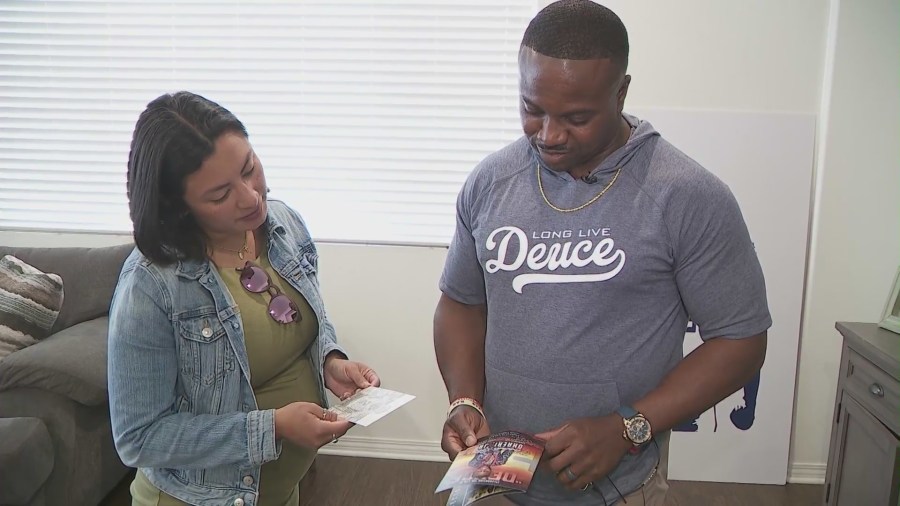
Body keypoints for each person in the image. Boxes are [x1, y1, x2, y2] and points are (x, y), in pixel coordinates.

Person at [434, 1, 771, 505]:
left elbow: (741, 340)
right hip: (499, 479)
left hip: (620, 488)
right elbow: (461, 302)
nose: (549, 135)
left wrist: (628, 427)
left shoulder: (687, 196)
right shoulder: (490, 182)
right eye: (532, 109)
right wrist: (464, 398)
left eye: (577, 117)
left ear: (621, 92)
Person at [108, 91, 380, 506]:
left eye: (250, 168)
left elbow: (308, 321)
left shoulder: (283, 224)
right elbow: (139, 438)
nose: (251, 197)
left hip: (281, 493)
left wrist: (330, 360)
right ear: (178, 208)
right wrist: (273, 428)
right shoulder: (150, 286)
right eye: (220, 195)